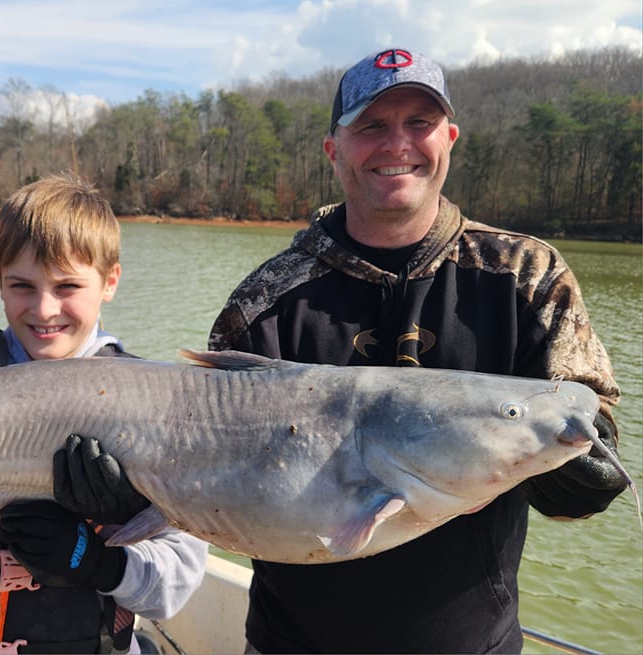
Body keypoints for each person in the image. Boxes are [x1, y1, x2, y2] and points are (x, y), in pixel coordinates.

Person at [208, 48, 628, 654]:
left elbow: (590, 418)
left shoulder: (527, 275)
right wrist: (125, 489)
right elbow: (210, 460)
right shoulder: (265, 299)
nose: (397, 143)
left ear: (449, 138)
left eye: (419, 123)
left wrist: (582, 476)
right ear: (333, 149)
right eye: (371, 125)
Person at [0, 173, 208, 654]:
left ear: (110, 281)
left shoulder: (160, 409)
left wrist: (100, 563)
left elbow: (176, 583)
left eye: (67, 286)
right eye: (22, 285)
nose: (44, 310)